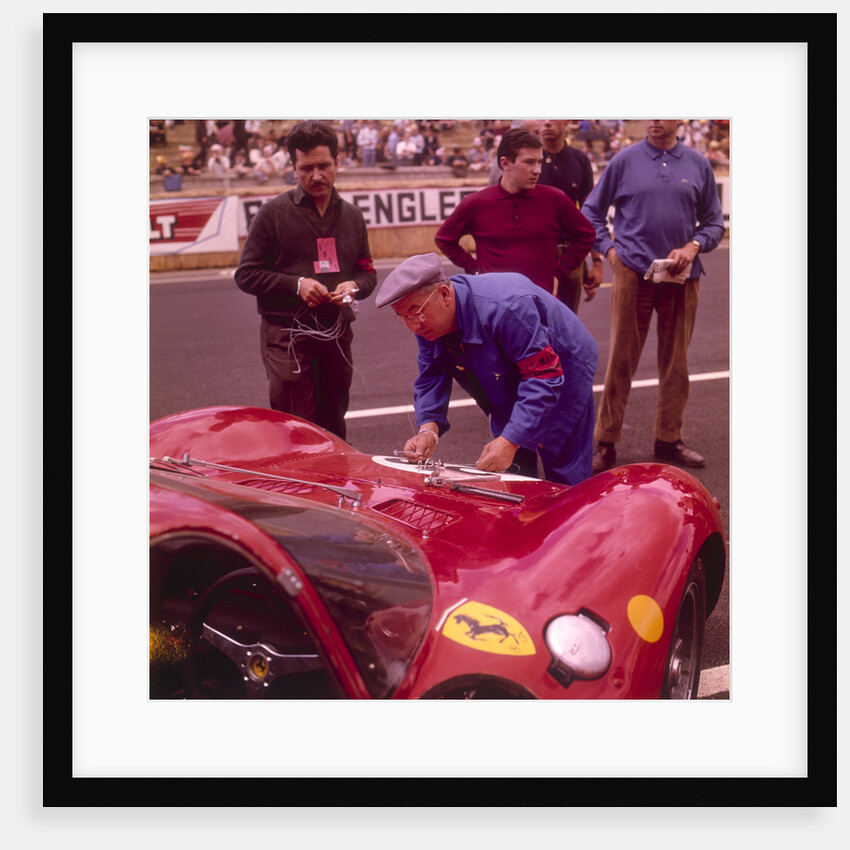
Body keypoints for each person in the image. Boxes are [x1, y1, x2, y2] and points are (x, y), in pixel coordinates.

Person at [375, 253, 598, 486]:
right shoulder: (428, 320)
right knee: (511, 475)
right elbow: (432, 373)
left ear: (444, 294)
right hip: (505, 375)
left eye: (415, 311)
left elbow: (543, 376)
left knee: (565, 472)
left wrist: (511, 440)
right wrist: (428, 429)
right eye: (403, 317)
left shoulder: (509, 307)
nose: (412, 325)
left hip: (561, 370)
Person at [581, 119, 726, 473]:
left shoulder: (697, 163)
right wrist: (612, 254)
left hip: (683, 277)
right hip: (633, 272)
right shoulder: (625, 160)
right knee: (621, 360)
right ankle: (606, 442)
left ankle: (668, 438)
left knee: (677, 362)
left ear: (680, 119)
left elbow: (714, 224)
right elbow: (591, 212)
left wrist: (693, 247)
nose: (654, 119)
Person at [234, 119, 377, 439]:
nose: (316, 175)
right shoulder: (273, 213)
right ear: (293, 168)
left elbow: (367, 273)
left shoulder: (352, 216)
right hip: (287, 336)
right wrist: (296, 285)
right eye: (306, 168)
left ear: (338, 163)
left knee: (334, 423)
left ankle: (335, 487)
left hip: (336, 333)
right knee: (295, 427)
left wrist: (353, 286)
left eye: (324, 165)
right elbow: (246, 274)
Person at [434, 128, 595, 296]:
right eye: (529, 162)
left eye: (539, 162)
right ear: (505, 163)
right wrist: (474, 269)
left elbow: (586, 235)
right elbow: (444, 239)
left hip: (540, 304)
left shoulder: (555, 199)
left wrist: (559, 273)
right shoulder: (475, 203)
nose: (538, 170)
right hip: (492, 305)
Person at [537, 119, 605, 314]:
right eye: (542, 117)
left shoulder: (580, 160)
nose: (547, 122)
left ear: (567, 120)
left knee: (568, 324)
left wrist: (596, 262)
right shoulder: (528, 159)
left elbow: (589, 213)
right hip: (535, 255)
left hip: (571, 256)